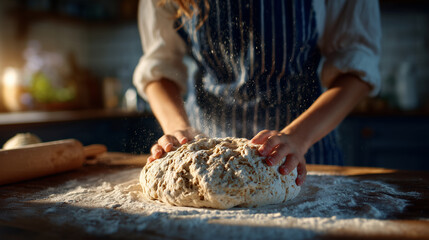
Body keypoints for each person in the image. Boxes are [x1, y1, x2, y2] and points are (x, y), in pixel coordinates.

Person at [133, 0, 381, 185]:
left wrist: (298, 137)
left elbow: (357, 68)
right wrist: (178, 130)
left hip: (305, 151)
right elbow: (159, 68)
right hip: (205, 155)